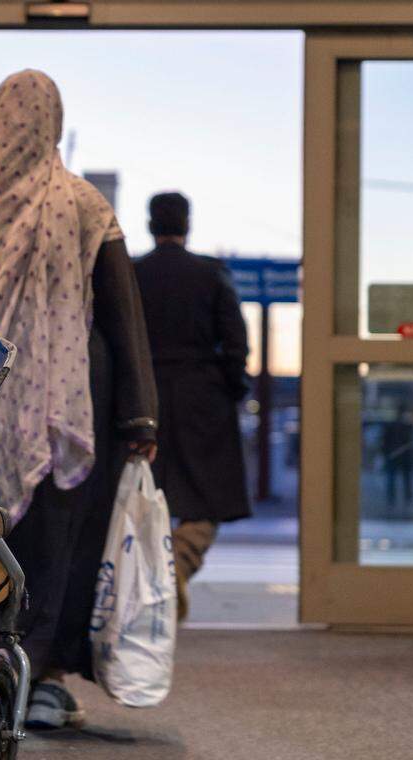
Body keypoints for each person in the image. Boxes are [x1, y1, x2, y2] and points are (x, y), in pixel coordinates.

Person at [0, 70, 159, 730]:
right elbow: (121, 313)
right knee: (55, 539)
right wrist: (141, 416)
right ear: (52, 121)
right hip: (59, 407)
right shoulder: (81, 203)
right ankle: (39, 675)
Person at [133, 192, 252, 620]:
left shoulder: (131, 274)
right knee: (207, 499)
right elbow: (236, 342)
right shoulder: (211, 274)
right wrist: (232, 389)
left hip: (144, 398)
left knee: (143, 495)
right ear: (188, 224)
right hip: (202, 397)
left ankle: (154, 577)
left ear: (150, 225)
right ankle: (179, 563)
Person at [382, 402, 413, 512]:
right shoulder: (407, 426)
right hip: (402, 455)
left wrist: (386, 453)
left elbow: (384, 441)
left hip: (395, 455)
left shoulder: (392, 425)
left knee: (394, 478)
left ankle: (394, 499)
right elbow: (412, 440)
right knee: (403, 478)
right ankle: (406, 498)